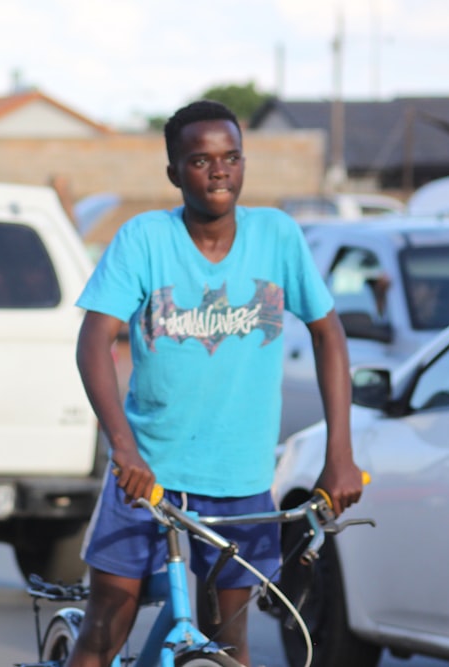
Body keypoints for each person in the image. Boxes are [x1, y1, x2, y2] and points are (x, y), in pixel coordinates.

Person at [67, 100, 364, 667]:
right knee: (107, 626)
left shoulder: (276, 236)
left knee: (228, 645)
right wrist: (124, 448)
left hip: (241, 484)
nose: (219, 170)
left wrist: (340, 456)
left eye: (230, 157)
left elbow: (330, 335)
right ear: (175, 172)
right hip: (148, 477)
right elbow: (93, 343)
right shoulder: (143, 240)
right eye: (200, 160)